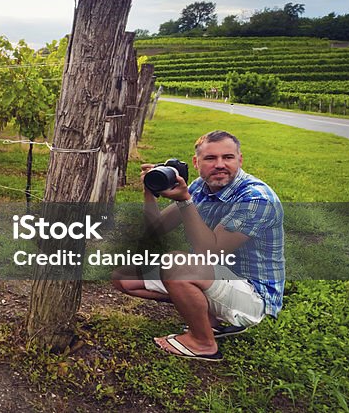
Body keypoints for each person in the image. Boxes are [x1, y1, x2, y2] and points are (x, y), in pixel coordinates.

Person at [111, 130, 284, 361]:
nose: (220, 165)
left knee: (176, 264)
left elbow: (210, 253)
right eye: (210, 158)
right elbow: (156, 229)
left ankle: (203, 343)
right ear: (196, 162)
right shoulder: (200, 187)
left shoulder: (256, 198)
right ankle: (210, 317)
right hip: (215, 279)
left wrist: (185, 201)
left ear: (240, 160)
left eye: (228, 157)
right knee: (124, 277)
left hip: (252, 294)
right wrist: (150, 192)